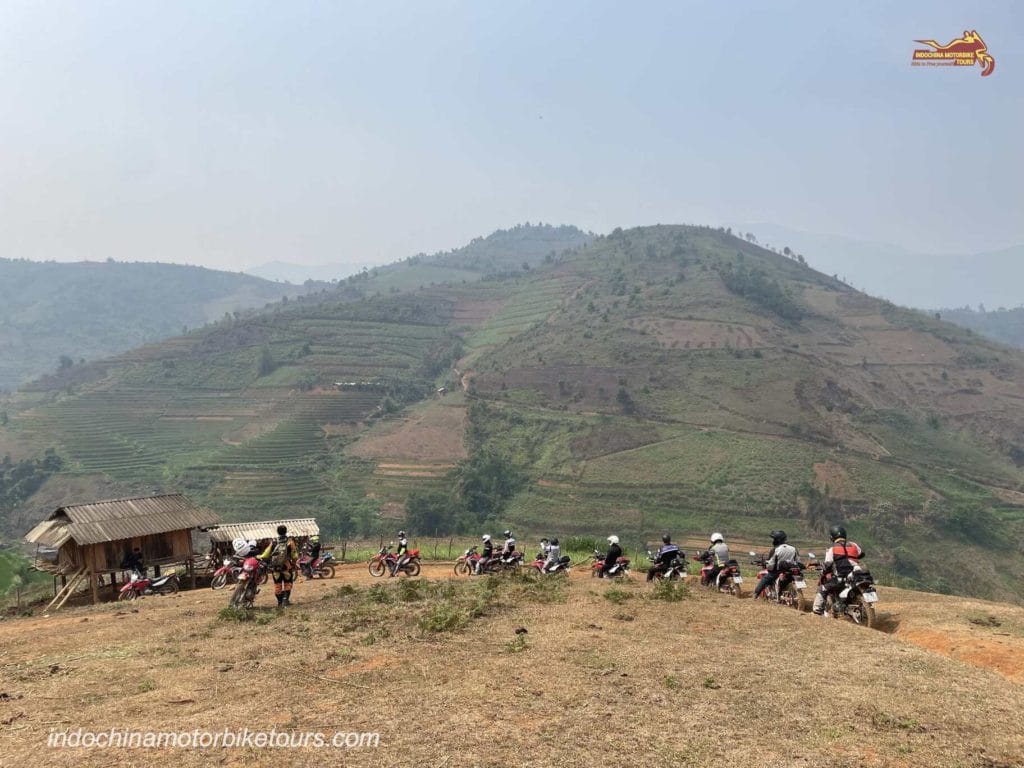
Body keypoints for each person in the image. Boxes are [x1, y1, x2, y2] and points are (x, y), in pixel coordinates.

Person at [812, 525, 865, 615]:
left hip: (841, 577)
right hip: (856, 575)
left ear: (832, 537)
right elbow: (861, 554)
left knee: (822, 588)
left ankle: (816, 611)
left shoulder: (832, 549)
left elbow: (828, 565)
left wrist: (822, 568)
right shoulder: (854, 545)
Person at [259, 524, 299, 607]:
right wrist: (294, 562)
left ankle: (280, 602)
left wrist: (259, 556)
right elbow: (295, 555)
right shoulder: (290, 542)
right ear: (286, 531)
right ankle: (285, 600)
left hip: (276, 568)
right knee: (288, 584)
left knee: (277, 585)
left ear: (277, 532)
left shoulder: (273, 542)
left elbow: (266, 554)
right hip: (287, 567)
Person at [753, 530, 799, 599]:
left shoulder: (775, 549)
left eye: (774, 539)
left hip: (777, 572)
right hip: (791, 571)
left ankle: (755, 595)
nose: (773, 541)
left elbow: (771, 564)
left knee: (765, 578)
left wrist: (767, 565)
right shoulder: (794, 549)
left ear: (777, 540)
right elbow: (798, 561)